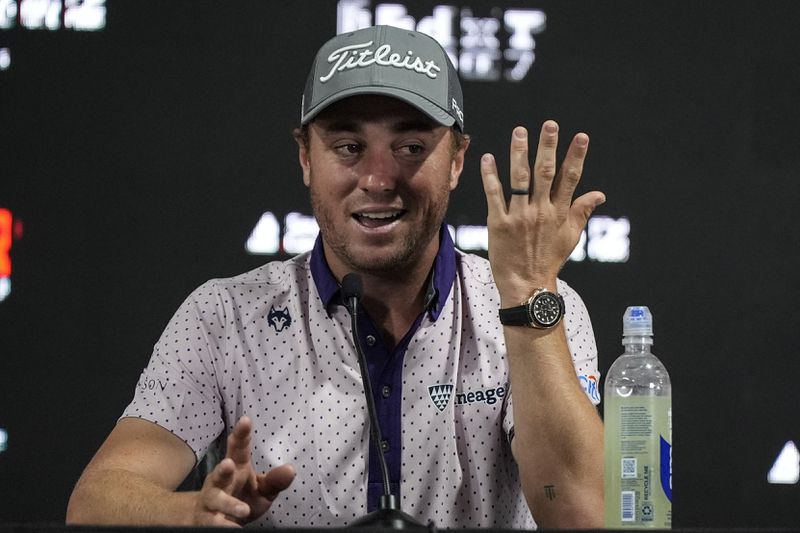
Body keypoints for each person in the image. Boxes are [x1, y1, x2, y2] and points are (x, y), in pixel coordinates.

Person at [66, 25, 605, 529]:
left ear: (457, 160)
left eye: (411, 148)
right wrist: (193, 514)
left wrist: (528, 291)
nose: (377, 178)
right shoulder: (224, 316)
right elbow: (97, 500)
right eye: (348, 147)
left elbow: (584, 515)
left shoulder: (538, 308)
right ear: (305, 157)